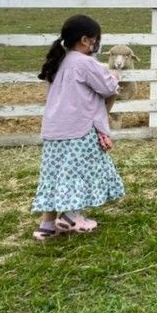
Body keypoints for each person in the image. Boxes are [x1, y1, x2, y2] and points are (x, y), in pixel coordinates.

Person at [31, 14, 125, 241]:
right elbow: (107, 86)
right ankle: (72, 216)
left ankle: (47, 225)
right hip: (78, 129)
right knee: (77, 173)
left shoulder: (59, 61)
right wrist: (114, 75)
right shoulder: (85, 62)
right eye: (95, 39)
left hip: (55, 129)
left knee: (55, 175)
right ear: (85, 40)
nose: (96, 44)